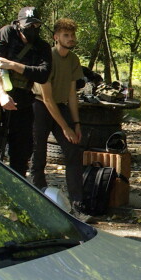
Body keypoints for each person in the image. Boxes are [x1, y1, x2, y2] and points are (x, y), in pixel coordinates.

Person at [0, 6, 52, 176]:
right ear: (19, 24)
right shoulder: (6, 33)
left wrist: (12, 65)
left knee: (21, 154)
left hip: (23, 103)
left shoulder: (42, 47)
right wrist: (2, 95)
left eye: (36, 25)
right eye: (28, 25)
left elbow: (43, 74)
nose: (32, 29)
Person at [31, 18, 87, 213]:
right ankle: (38, 196)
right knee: (38, 152)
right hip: (40, 106)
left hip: (61, 106)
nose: (71, 39)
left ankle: (77, 204)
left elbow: (72, 94)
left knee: (73, 150)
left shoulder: (73, 60)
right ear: (56, 37)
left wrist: (76, 123)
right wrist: (65, 128)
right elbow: (47, 98)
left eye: (72, 35)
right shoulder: (46, 57)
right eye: (66, 35)